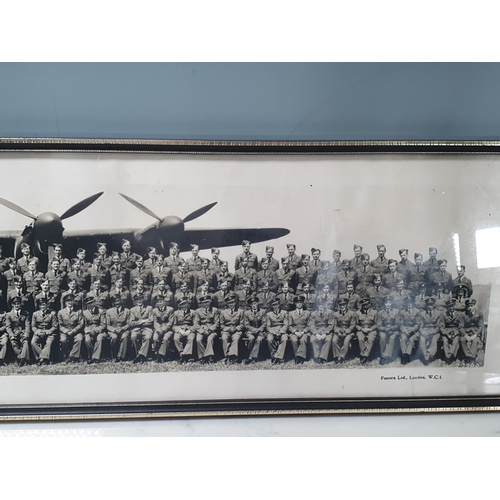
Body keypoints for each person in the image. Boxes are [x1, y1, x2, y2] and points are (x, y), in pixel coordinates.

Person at [31, 297, 59, 365]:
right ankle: (42, 358)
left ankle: (41, 359)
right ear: (38, 306)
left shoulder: (52, 313)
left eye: (44, 305)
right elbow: (33, 326)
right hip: (39, 332)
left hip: (49, 333)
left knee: (49, 342)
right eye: (40, 305)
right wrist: (38, 332)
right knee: (33, 342)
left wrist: (47, 332)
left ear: (47, 305)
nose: (42, 306)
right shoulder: (35, 314)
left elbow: (55, 326)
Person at [58, 294, 85, 363]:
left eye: (71, 300)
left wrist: (73, 331)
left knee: (79, 338)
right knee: (63, 340)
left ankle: (73, 357)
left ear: (74, 301)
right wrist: (66, 331)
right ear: (65, 302)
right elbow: (60, 325)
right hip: (65, 331)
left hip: (76, 331)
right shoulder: (61, 312)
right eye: (68, 301)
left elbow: (81, 324)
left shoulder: (78, 311)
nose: (69, 302)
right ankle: (66, 355)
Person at [416, 297, 443, 365]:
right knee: (422, 339)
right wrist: (423, 332)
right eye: (428, 305)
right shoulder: (422, 314)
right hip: (425, 330)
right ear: (426, 305)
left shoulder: (439, 313)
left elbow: (440, 326)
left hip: (435, 331)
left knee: (434, 339)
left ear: (434, 305)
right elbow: (420, 326)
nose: (430, 306)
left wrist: (433, 332)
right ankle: (425, 355)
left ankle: (429, 353)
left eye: (431, 304)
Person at [5, 296, 31, 366]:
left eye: (18, 303)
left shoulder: (25, 313)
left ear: (20, 304)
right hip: (14, 332)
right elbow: (8, 327)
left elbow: (27, 325)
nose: (16, 305)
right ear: (12, 305)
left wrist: (26, 334)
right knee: (13, 342)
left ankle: (22, 359)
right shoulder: (8, 314)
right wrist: (11, 335)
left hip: (23, 331)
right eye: (14, 304)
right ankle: (21, 357)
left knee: (25, 341)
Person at [219, 293, 244, 362]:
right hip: (226, 330)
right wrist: (228, 329)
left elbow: (242, 324)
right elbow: (221, 325)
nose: (231, 304)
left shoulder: (240, 311)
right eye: (229, 303)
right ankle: (227, 356)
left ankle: (233, 356)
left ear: (235, 303)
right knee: (224, 338)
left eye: (232, 302)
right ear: (227, 304)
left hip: (236, 330)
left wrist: (236, 328)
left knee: (236, 338)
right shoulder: (223, 312)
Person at [194, 295, 220, 363]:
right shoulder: (198, 311)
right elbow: (196, 324)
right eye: (204, 302)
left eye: (207, 302)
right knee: (198, 339)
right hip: (202, 329)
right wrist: (202, 331)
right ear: (202, 303)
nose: (206, 304)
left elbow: (217, 323)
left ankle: (209, 356)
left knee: (210, 339)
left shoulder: (215, 310)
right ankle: (203, 356)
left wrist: (210, 330)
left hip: (212, 329)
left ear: (210, 302)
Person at [105, 295, 131, 362]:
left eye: (118, 301)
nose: (117, 303)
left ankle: (122, 357)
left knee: (125, 336)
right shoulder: (109, 311)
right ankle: (115, 355)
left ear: (121, 301)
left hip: (124, 329)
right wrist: (114, 330)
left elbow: (129, 323)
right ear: (113, 303)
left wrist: (122, 329)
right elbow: (107, 325)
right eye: (115, 301)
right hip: (113, 330)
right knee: (114, 338)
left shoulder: (127, 311)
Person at [82, 296, 108, 364]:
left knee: (99, 338)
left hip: (99, 331)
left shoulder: (100, 311)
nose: (90, 305)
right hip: (89, 331)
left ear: (94, 303)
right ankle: (90, 357)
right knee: (87, 340)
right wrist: (88, 331)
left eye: (91, 303)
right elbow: (85, 325)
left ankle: (96, 358)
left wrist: (96, 331)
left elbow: (103, 324)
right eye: (88, 303)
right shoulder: (84, 313)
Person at [129, 293, 154, 363]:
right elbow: (131, 323)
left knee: (148, 337)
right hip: (136, 328)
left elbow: (151, 321)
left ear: (143, 299)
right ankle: (140, 354)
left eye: (140, 299)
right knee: (133, 337)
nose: (139, 301)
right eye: (137, 300)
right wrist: (142, 321)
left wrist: (138, 322)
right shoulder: (132, 310)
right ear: (135, 301)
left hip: (147, 328)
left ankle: (140, 355)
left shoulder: (149, 308)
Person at [331, 297, 356, 363]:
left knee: (346, 341)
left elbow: (353, 325)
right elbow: (335, 325)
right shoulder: (336, 314)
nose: (342, 306)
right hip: (339, 331)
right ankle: (337, 356)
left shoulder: (352, 313)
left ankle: (342, 357)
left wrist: (347, 331)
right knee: (334, 340)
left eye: (344, 304)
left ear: (347, 305)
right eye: (341, 305)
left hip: (348, 332)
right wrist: (338, 331)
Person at [287, 296, 311, 364]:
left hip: (304, 332)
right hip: (294, 332)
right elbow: (289, 326)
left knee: (303, 340)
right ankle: (296, 357)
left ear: (303, 303)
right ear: (295, 304)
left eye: (301, 302)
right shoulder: (291, 313)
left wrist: (303, 332)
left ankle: (301, 357)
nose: (299, 304)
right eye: (297, 303)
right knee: (294, 340)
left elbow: (309, 325)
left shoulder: (307, 313)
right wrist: (295, 332)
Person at [242, 296, 266, 363]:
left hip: (260, 331)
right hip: (250, 331)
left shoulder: (262, 312)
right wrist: (253, 330)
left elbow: (264, 323)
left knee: (259, 339)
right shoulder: (247, 313)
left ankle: (251, 357)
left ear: (258, 303)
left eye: (255, 303)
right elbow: (246, 325)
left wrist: (259, 330)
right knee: (251, 338)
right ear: (250, 305)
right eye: (252, 304)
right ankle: (252, 355)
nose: (254, 306)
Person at [376, 296, 400, 365]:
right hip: (384, 330)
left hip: (393, 330)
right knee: (383, 337)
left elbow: (398, 324)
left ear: (392, 303)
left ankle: (387, 357)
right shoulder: (380, 313)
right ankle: (383, 355)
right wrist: (385, 329)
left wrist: (391, 328)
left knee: (392, 338)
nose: (388, 304)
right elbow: (379, 325)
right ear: (384, 304)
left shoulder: (396, 311)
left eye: (390, 302)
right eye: (387, 303)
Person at [460, 299, 484, 365]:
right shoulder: (463, 314)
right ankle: (467, 356)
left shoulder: (479, 314)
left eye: (472, 305)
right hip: (466, 332)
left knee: (475, 340)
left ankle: (471, 357)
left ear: (474, 306)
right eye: (468, 306)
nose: (470, 308)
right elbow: (461, 327)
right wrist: (465, 335)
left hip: (475, 332)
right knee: (462, 340)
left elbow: (481, 326)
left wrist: (475, 335)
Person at [309, 299, 333, 363]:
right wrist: (316, 334)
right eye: (319, 304)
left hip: (326, 331)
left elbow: (331, 324)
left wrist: (325, 333)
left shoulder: (329, 312)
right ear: (317, 305)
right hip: (316, 331)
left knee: (328, 339)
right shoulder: (313, 314)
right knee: (312, 339)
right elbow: (311, 325)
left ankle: (323, 357)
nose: (321, 306)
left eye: (322, 304)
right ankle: (317, 357)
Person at [266, 297, 289, 363]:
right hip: (273, 331)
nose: (275, 306)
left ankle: (278, 356)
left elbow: (286, 324)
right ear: (272, 306)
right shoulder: (269, 314)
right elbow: (268, 326)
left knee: (285, 339)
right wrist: (273, 332)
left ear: (279, 305)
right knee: (269, 339)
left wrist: (281, 331)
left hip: (282, 330)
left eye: (276, 304)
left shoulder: (284, 313)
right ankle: (273, 355)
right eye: (273, 305)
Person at [355, 297, 378, 364]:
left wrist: (370, 329)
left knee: (370, 339)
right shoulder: (358, 313)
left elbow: (377, 324)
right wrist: (361, 329)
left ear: (369, 304)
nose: (365, 306)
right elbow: (356, 324)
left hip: (371, 330)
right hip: (361, 330)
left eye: (367, 304)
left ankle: (365, 356)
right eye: (363, 305)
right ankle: (363, 354)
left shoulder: (374, 312)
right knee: (360, 338)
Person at [152, 295, 175, 362]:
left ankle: (161, 355)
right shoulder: (154, 310)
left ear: (164, 301)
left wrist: (164, 329)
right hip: (158, 328)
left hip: (168, 329)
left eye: (161, 301)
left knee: (165, 339)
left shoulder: (170, 309)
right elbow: (155, 322)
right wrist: (159, 329)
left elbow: (171, 322)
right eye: (158, 302)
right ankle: (157, 353)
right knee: (155, 338)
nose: (159, 303)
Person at [398, 296, 420, 365]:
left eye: (410, 302)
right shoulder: (402, 312)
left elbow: (418, 323)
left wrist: (412, 329)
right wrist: (404, 329)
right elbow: (400, 323)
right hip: (405, 330)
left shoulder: (417, 311)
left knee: (411, 339)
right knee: (403, 338)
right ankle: (405, 355)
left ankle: (407, 354)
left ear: (413, 303)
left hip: (415, 331)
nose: (409, 304)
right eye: (407, 302)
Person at [441, 299, 463, 365]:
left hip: (456, 331)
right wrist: (446, 334)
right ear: (447, 307)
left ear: (454, 306)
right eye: (449, 306)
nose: (451, 308)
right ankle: (448, 356)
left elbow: (461, 325)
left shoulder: (459, 314)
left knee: (455, 341)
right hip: (447, 331)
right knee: (445, 341)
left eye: (452, 306)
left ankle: (450, 356)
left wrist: (456, 333)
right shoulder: (444, 314)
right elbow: (441, 326)